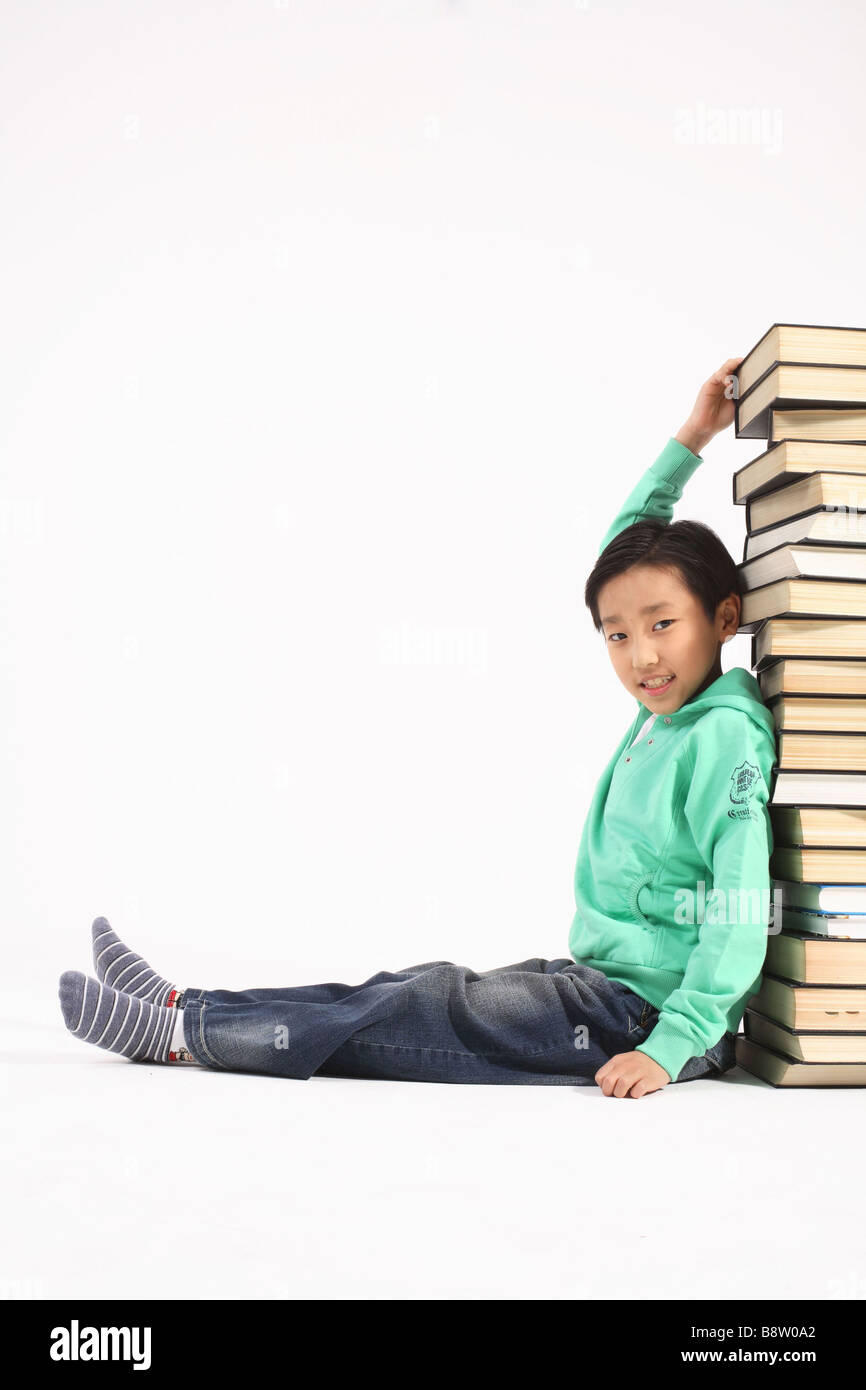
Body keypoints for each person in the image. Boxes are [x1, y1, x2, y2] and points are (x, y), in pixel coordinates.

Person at [57, 356, 776, 1099]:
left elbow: (741, 904)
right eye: (618, 636)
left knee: (427, 1006)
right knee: (408, 987)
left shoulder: (721, 734)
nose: (641, 655)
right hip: (597, 987)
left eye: (663, 625)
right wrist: (692, 436)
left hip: (640, 1016)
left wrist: (674, 1045)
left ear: (723, 617)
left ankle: (183, 1038)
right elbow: (625, 561)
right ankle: (182, 1005)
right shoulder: (670, 707)